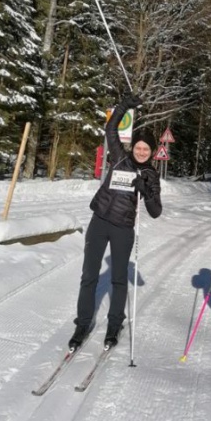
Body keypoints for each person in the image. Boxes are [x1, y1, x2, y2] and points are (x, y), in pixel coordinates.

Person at [69, 91, 162, 350]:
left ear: (152, 152)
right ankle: (82, 323)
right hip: (99, 221)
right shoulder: (120, 156)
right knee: (89, 275)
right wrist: (124, 106)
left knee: (119, 278)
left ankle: (114, 324)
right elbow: (111, 129)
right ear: (133, 147)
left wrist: (146, 190)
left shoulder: (150, 174)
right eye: (139, 147)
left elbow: (156, 211)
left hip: (123, 228)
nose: (141, 152)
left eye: (146, 149)